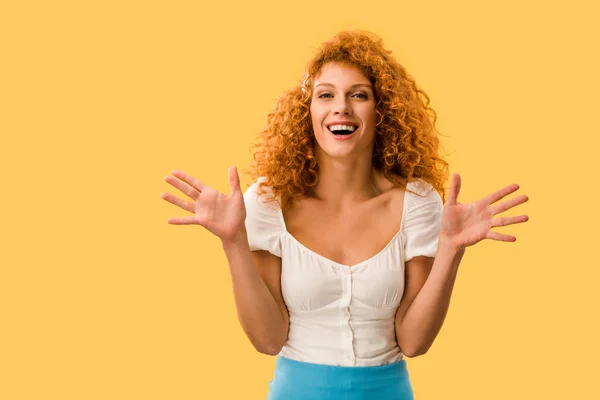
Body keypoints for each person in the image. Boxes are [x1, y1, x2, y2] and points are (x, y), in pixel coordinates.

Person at [160, 30, 529, 400]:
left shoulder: (417, 202)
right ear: (309, 112)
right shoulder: (269, 202)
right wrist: (233, 242)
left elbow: (414, 343)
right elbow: (268, 340)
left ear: (381, 111)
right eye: (326, 95)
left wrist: (450, 248)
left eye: (359, 95)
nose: (342, 107)